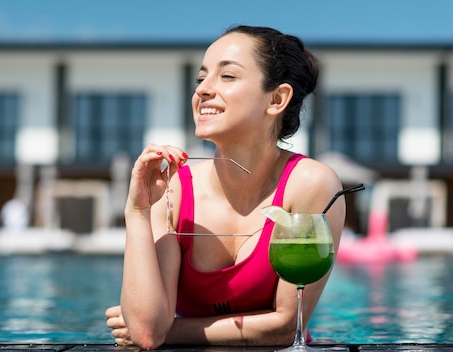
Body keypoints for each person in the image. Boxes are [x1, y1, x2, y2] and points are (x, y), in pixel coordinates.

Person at [105, 25, 346, 349]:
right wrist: (137, 211)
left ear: (276, 99)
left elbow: (287, 326)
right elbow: (148, 332)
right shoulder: (172, 191)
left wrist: (174, 331)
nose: (203, 90)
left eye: (227, 76)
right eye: (200, 78)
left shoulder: (310, 185)